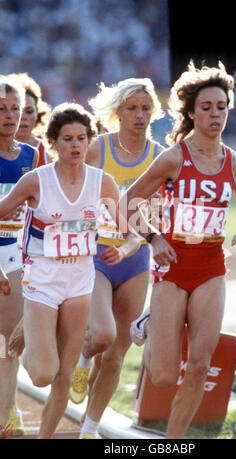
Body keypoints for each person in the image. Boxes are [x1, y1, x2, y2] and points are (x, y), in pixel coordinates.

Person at [123, 61, 236, 439]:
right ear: (191, 112)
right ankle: (149, 324)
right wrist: (154, 238)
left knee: (198, 365)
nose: (215, 115)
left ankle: (174, 442)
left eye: (221, 107)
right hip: (172, 265)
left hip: (212, 266)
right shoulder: (173, 159)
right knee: (165, 376)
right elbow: (127, 203)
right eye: (207, 107)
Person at [1, 102, 140, 439]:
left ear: (89, 141)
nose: (76, 145)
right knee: (43, 375)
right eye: (67, 139)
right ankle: (28, 330)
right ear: (54, 143)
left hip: (79, 283)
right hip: (41, 282)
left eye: (81, 138)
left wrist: (121, 251)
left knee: (65, 374)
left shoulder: (102, 182)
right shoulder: (36, 181)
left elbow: (134, 232)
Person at [69, 78, 164, 439]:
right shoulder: (97, 150)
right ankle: (81, 359)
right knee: (103, 335)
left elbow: (160, 210)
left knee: (118, 353)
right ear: (117, 112)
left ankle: (89, 429)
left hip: (135, 257)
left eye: (145, 108)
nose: (139, 115)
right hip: (95, 255)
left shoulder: (159, 156)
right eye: (131, 108)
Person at [0, 75, 38, 437]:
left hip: (13, 254)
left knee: (9, 342)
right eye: (1, 109)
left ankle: (5, 420)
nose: (10, 116)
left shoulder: (31, 156)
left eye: (16, 109)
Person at [12, 72, 52, 166]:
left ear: (38, 113)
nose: (23, 117)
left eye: (29, 111)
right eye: (16, 109)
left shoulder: (50, 150)